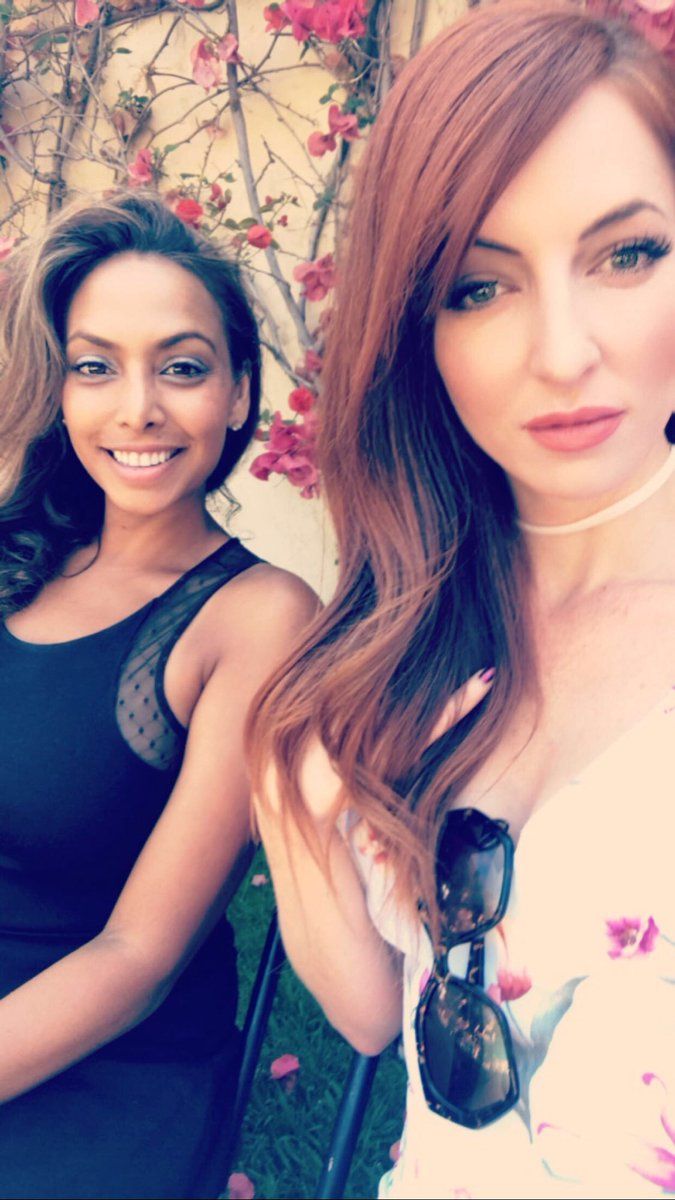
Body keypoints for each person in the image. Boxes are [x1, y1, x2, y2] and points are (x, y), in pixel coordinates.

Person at [248, 2, 675, 1196]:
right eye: (480, 287)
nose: (563, 351)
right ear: (414, 329)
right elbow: (372, 1012)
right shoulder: (423, 640)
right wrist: (285, 774)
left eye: (628, 255)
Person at [0, 192, 316, 1200]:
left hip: (99, 1065)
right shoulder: (20, 555)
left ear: (237, 390)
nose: (137, 408)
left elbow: (138, 956)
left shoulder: (255, 617)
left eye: (181, 367)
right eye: (95, 367)